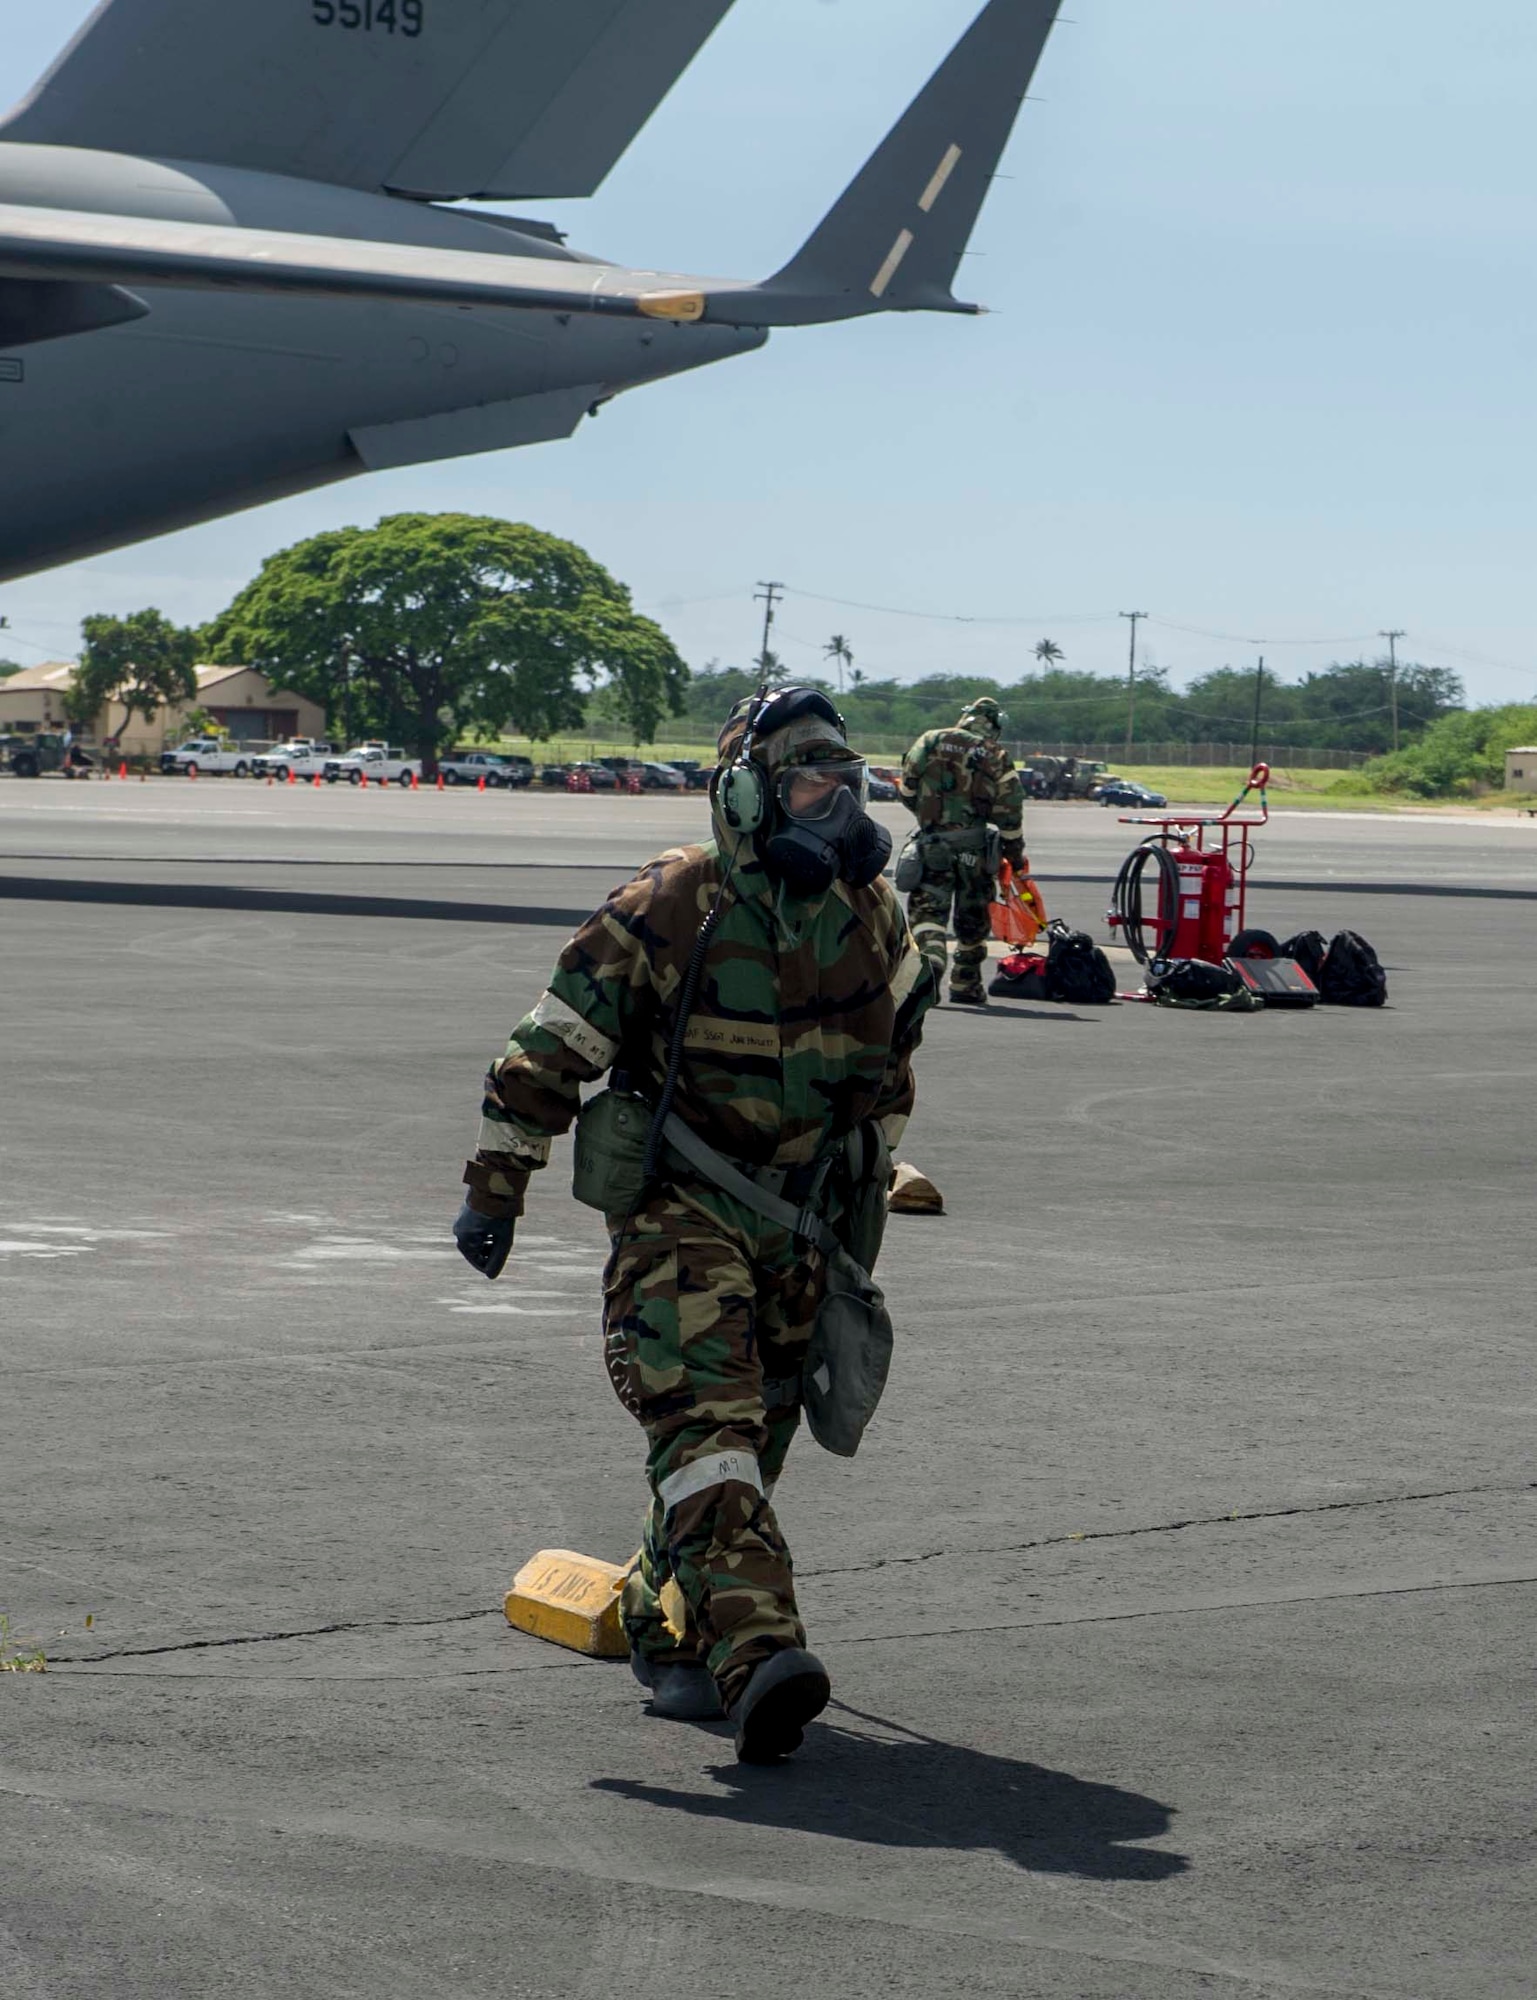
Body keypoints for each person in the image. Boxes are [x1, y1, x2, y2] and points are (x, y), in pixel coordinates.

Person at [452, 687, 937, 1762]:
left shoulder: (872, 913)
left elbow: (891, 1062)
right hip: (683, 1208)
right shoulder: (676, 902)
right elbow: (551, 1046)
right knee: (706, 1428)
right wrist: (497, 1188)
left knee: (737, 1451)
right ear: (750, 789)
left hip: (803, 1220)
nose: (835, 795)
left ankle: (656, 1621)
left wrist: (863, 1193)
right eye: (809, 773)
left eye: (844, 775)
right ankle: (760, 1654)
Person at [898, 695, 1026, 1005]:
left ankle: (931, 963)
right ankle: (965, 984)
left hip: (933, 847)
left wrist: (928, 818)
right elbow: (1009, 810)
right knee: (973, 918)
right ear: (992, 726)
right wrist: (1014, 854)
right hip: (975, 851)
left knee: (928, 911)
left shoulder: (931, 740)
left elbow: (907, 787)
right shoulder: (995, 754)